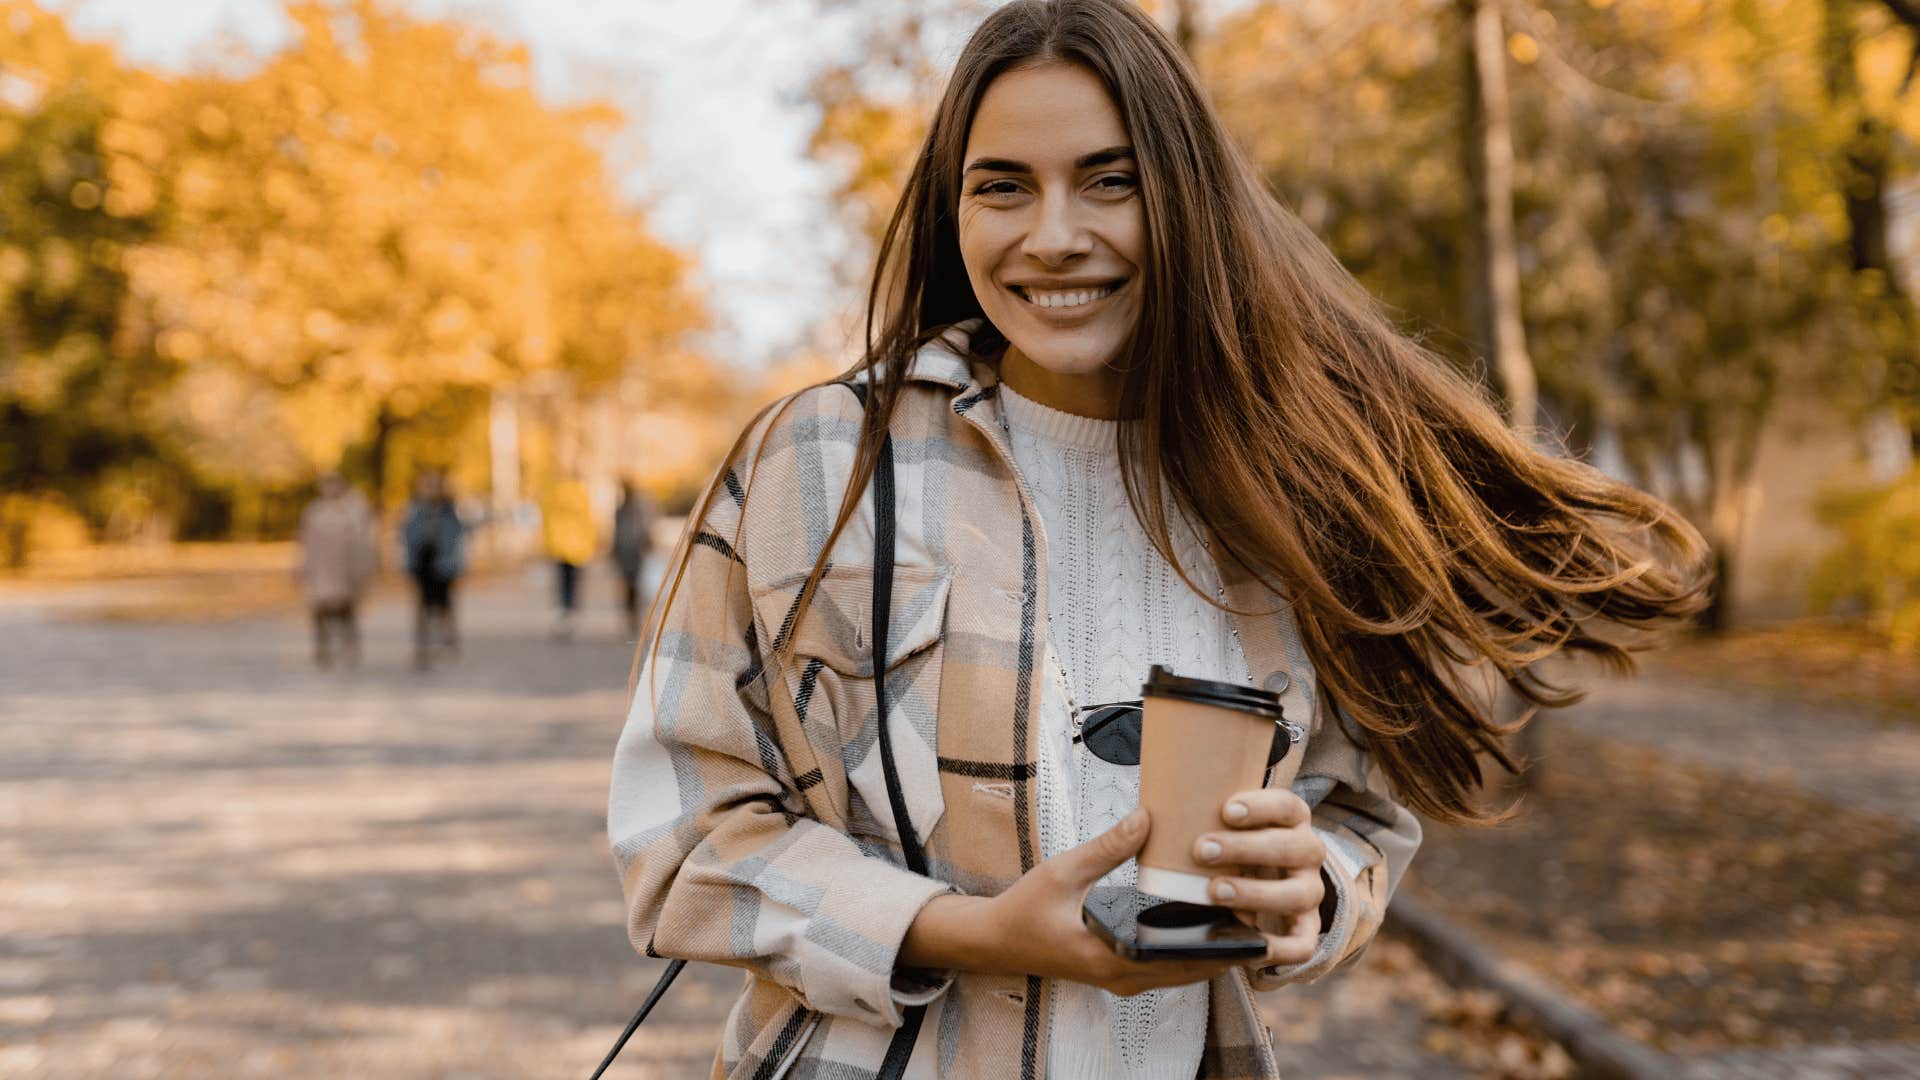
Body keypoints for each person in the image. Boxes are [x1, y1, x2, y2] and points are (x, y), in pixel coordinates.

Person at [608, 3, 1708, 1077]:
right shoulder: (820, 461)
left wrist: (1309, 889)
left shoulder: (1294, 478)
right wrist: (967, 932)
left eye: (1109, 180)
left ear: (1184, 197)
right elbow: (684, 839)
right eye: (1003, 187)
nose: (1053, 236)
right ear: (954, 212)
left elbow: (1361, 816)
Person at [297, 472, 376, 667]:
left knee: (345, 611)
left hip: (344, 569)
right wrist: (303, 567)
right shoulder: (314, 512)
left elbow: (362, 544)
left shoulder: (353, 512)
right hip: (321, 569)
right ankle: (323, 649)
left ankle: (349, 646)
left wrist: (362, 571)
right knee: (320, 611)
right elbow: (306, 543)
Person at [401, 470, 466, 670]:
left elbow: (457, 538)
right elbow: (407, 536)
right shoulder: (415, 510)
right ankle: (423, 643)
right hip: (422, 563)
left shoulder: (449, 510)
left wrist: (456, 563)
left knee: (445, 605)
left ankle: (448, 640)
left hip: (443, 563)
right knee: (422, 606)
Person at [540, 474, 598, 640]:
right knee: (574, 583)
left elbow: (547, 522)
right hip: (579, 548)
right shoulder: (581, 494)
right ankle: (571, 615)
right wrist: (590, 544)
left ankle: (562, 615)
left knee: (562, 582)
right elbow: (588, 522)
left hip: (558, 546)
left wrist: (548, 544)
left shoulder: (553, 495)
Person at [610, 479, 654, 641]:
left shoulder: (637, 510)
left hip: (635, 552)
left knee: (634, 585)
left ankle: (634, 616)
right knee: (628, 586)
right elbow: (617, 532)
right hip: (625, 552)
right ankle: (630, 616)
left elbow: (644, 528)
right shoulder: (620, 510)